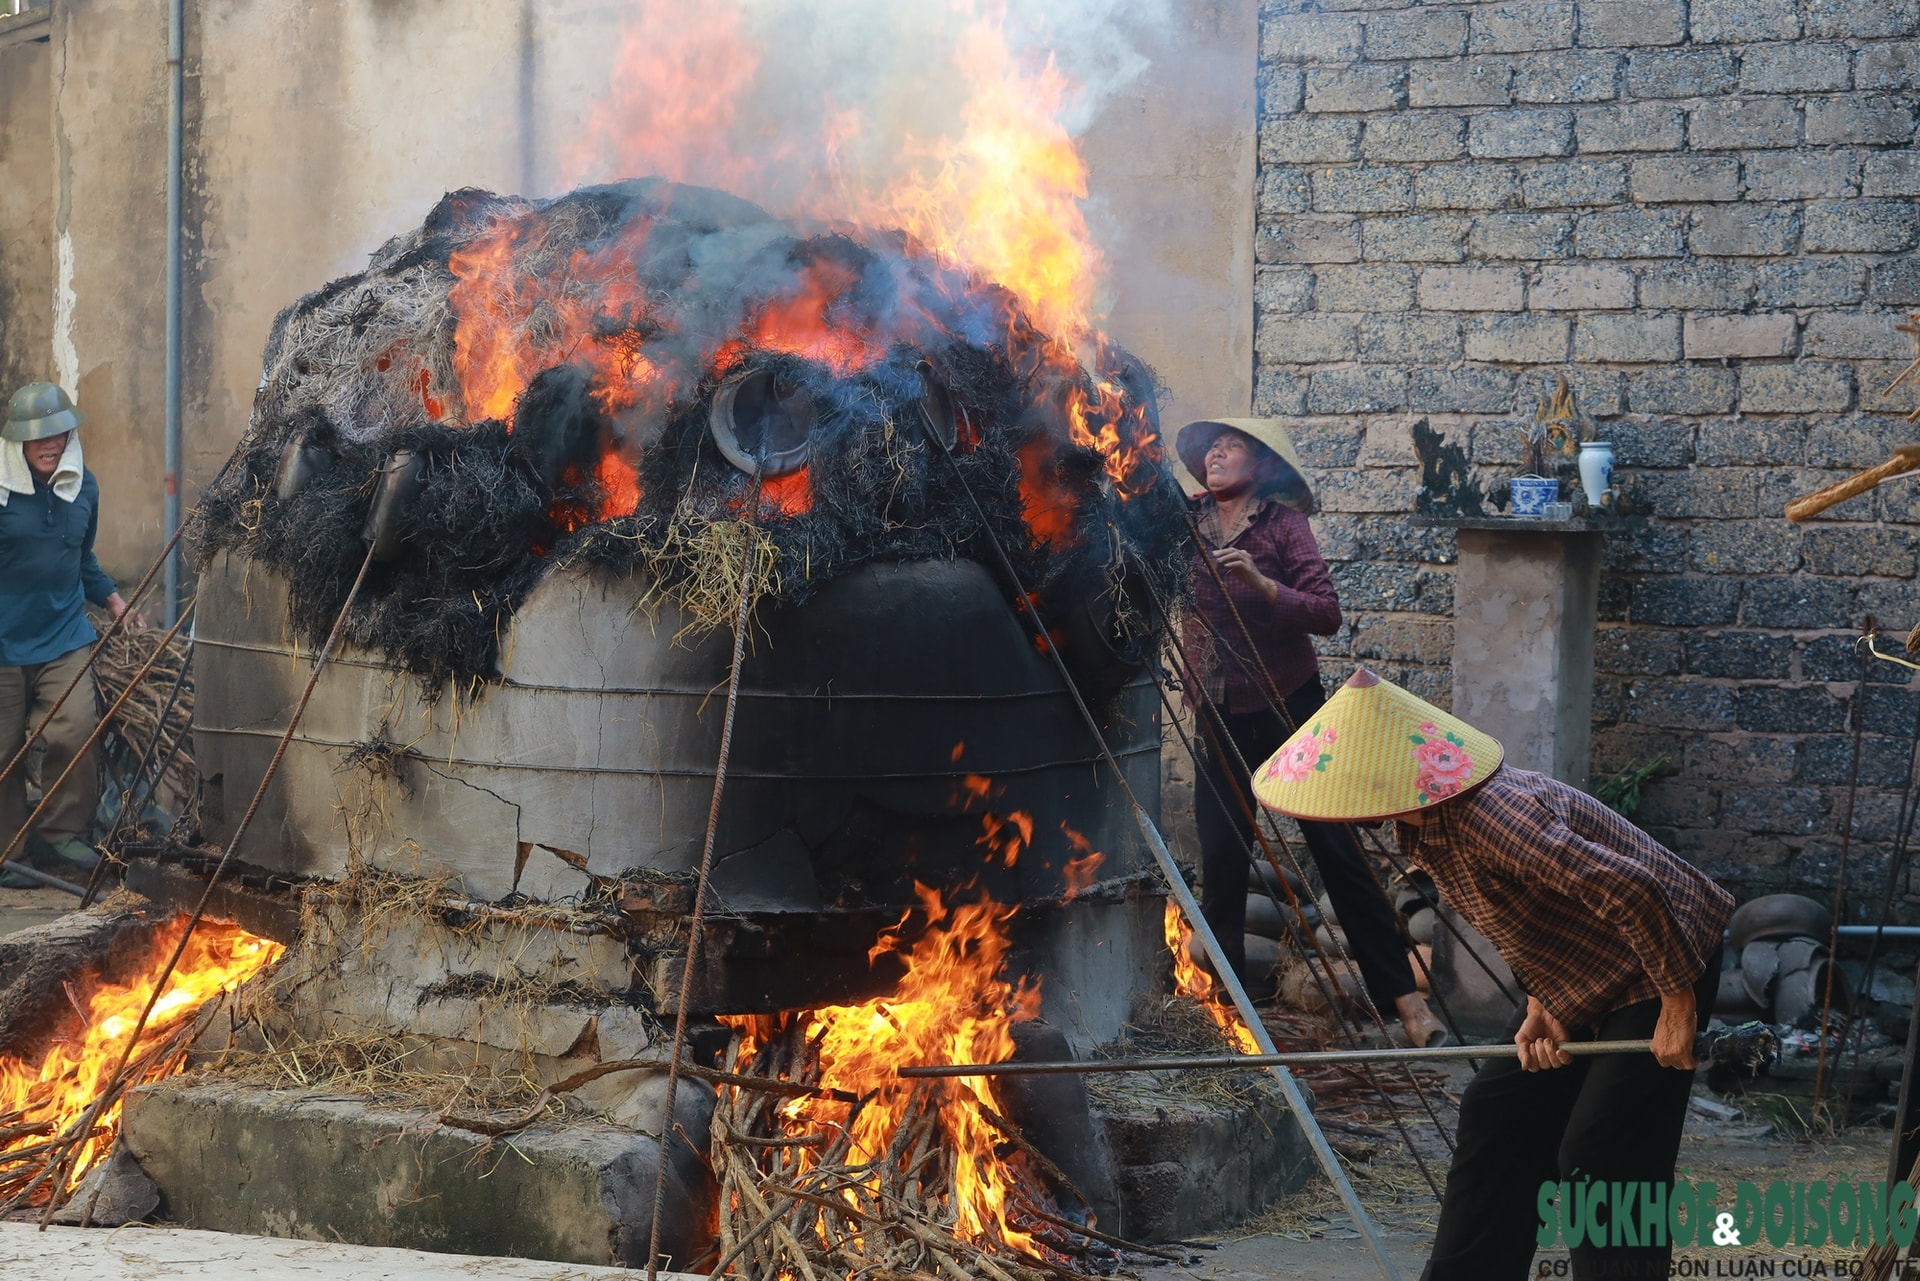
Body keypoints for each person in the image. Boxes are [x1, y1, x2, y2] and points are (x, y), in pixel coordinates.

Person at [1253, 668, 1733, 1281]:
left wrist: (1677, 1003)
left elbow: (1632, 890)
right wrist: (1544, 1001)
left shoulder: (1491, 819)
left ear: (1385, 783)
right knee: (1498, 1111)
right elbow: (1535, 917)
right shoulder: (1427, 826)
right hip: (1591, 967)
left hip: (1662, 958)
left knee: (1603, 1154)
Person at [1175, 417, 1444, 1047]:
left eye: (1231, 445)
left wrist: (1261, 584)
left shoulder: (1281, 526)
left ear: (1261, 463)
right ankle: (1231, 1015)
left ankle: (1409, 1007)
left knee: (1338, 853)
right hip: (1216, 710)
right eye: (1211, 447)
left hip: (1291, 712)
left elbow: (1326, 613)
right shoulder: (1183, 521)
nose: (1215, 452)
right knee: (1221, 860)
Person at [0, 381, 135, 881]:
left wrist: (112, 597)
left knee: (77, 729)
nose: (49, 444)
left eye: (57, 433)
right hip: (3, 643)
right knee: (3, 747)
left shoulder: (83, 486)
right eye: (37, 437)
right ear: (18, 441)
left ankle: (62, 836)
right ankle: (10, 849)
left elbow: (80, 557)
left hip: (64, 635)